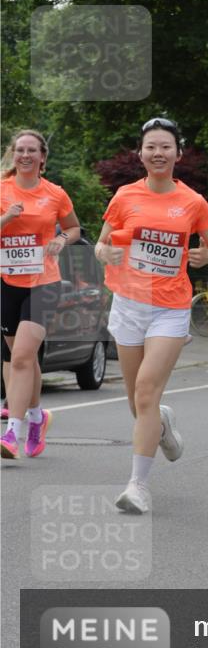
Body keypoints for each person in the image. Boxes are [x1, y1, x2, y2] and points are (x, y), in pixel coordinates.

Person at [95, 118, 208, 514]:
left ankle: (138, 485)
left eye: (165, 146)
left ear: (178, 154)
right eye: (151, 147)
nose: (158, 153)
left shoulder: (193, 202)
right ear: (141, 153)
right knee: (139, 404)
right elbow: (100, 244)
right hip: (129, 305)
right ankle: (162, 424)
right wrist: (106, 253)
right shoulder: (124, 197)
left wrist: (207, 256)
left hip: (169, 307)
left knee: (146, 391)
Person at [0, 129, 81, 460]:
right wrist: (7, 217)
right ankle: (38, 417)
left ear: (42, 157)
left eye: (32, 150)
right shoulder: (2, 189)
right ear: (13, 154)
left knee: (20, 358)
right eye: (20, 149)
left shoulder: (56, 194)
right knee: (23, 359)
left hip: (44, 282)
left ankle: (11, 434)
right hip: (7, 281)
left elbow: (75, 228)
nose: (25, 155)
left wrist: (62, 240)